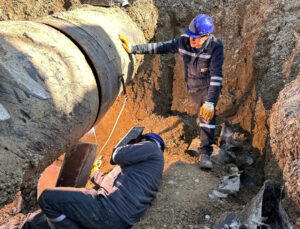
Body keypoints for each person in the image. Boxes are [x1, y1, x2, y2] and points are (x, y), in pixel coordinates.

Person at [119, 14, 224, 169]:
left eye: (195, 38)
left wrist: (210, 102)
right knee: (200, 114)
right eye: (190, 36)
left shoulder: (216, 46)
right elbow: (160, 47)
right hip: (193, 86)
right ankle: (202, 125)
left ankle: (205, 153)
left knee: (207, 117)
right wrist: (134, 49)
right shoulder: (183, 41)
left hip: (207, 86)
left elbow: (216, 76)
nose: (191, 40)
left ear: (206, 36)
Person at [18, 133, 165, 229]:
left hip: (107, 208)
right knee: (38, 220)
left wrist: (126, 143)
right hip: (115, 217)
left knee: (47, 198)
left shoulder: (152, 147)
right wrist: (95, 173)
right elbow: (111, 183)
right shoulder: (145, 171)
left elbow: (117, 156)